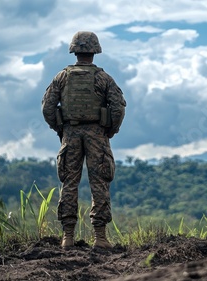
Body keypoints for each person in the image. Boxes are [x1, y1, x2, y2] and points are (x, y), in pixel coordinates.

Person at [42, 31, 126, 249]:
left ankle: (67, 237)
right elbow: (118, 107)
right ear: (95, 51)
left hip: (70, 133)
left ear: (74, 50)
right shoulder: (103, 78)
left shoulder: (61, 77)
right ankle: (100, 237)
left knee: (69, 183)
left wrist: (60, 128)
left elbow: (47, 107)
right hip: (97, 135)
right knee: (99, 183)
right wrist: (111, 130)